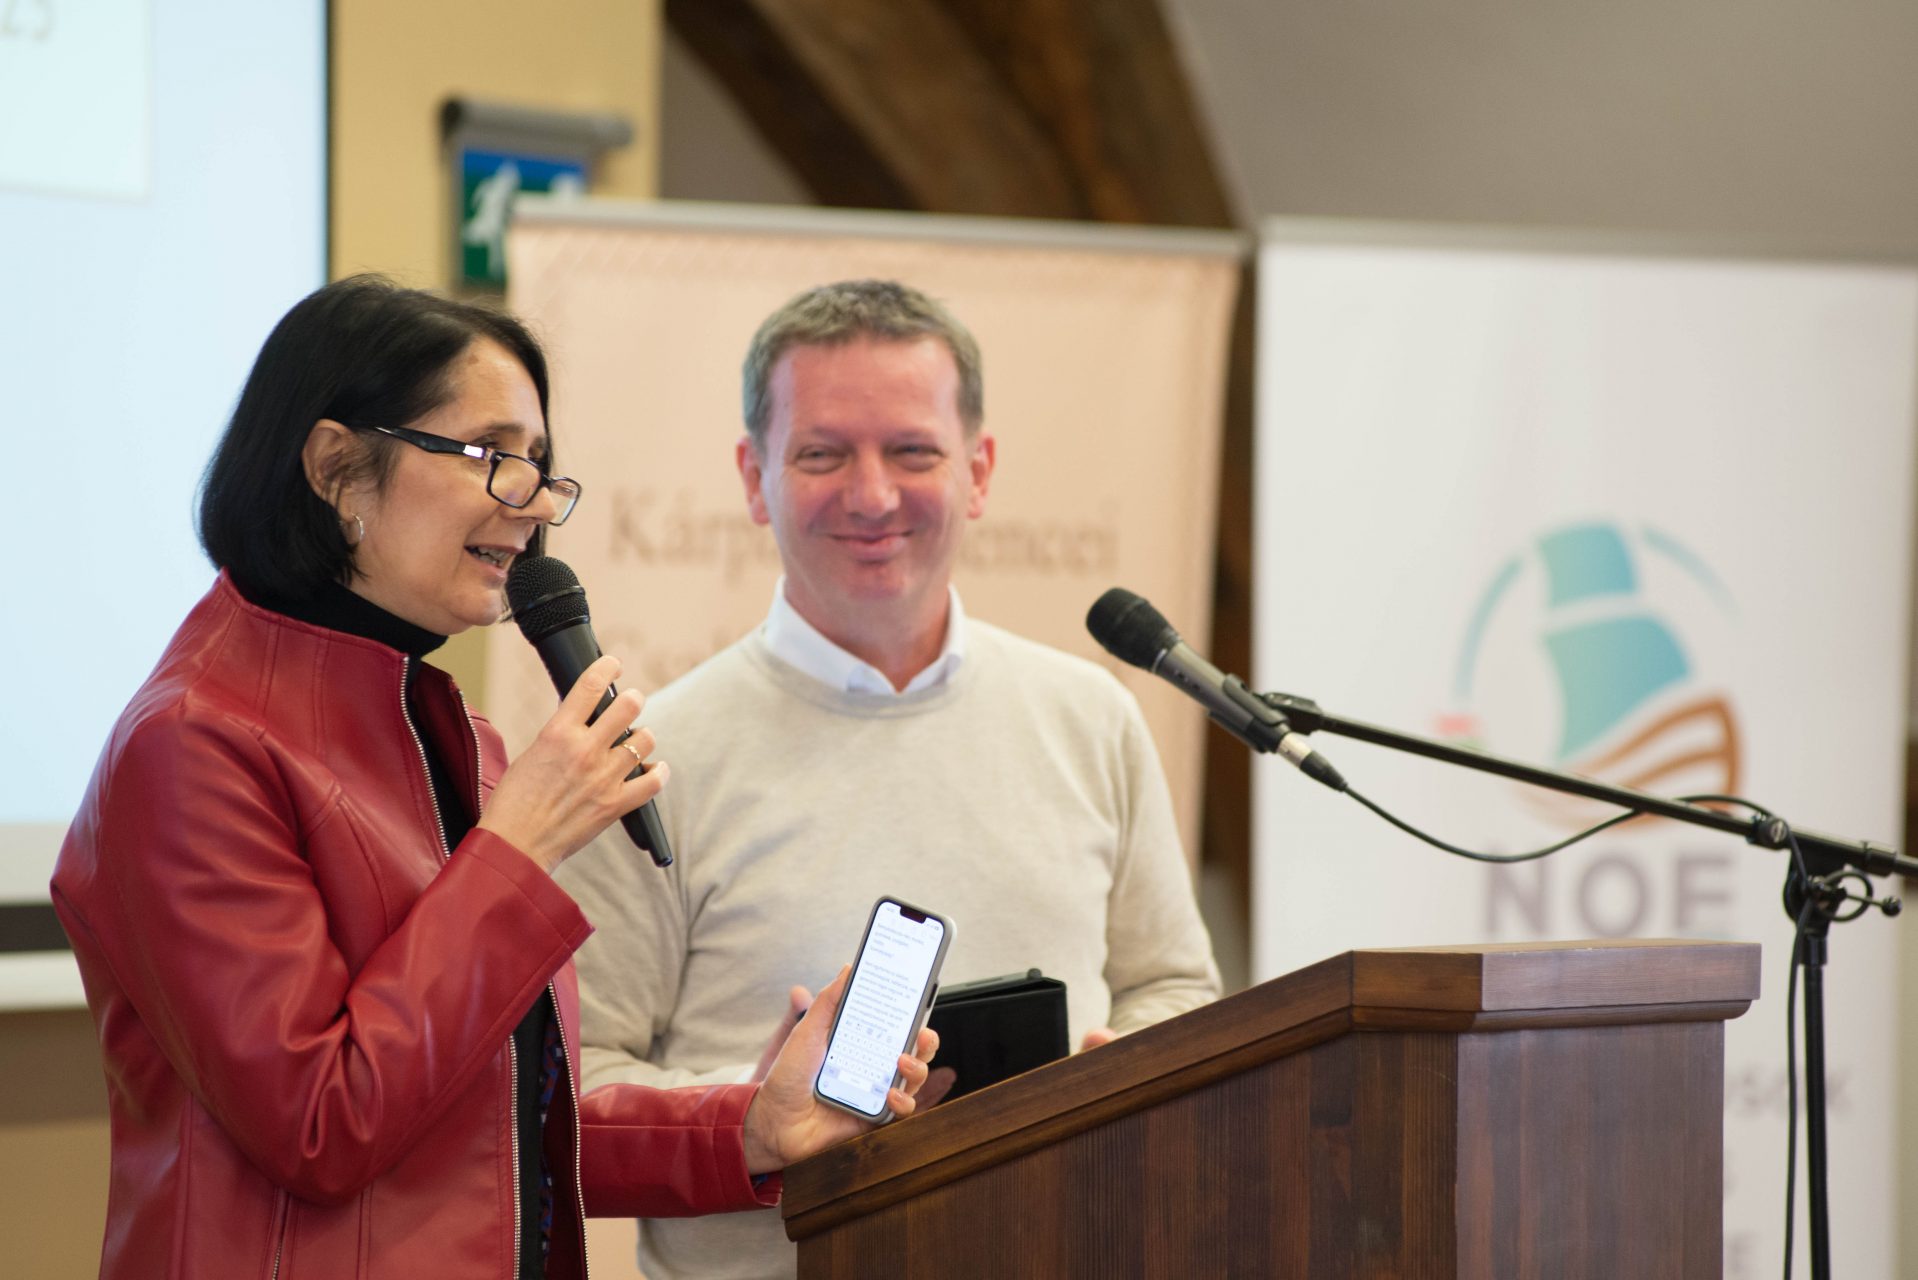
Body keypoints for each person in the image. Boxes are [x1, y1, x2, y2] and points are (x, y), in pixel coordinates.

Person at [48, 276, 933, 1280]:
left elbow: (500, 1123)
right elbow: (321, 1123)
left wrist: (752, 1125)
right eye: (490, 455)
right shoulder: (190, 744)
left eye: (541, 465)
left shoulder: (449, 732)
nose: (535, 503)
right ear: (337, 468)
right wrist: (516, 849)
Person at [558, 279, 1221, 1279]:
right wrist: (752, 1107)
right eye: (823, 454)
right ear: (753, 477)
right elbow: (569, 1093)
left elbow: (1172, 987)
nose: (871, 496)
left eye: (912, 451)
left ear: (978, 471)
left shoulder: (1092, 717)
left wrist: (1119, 1073)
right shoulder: (646, 759)